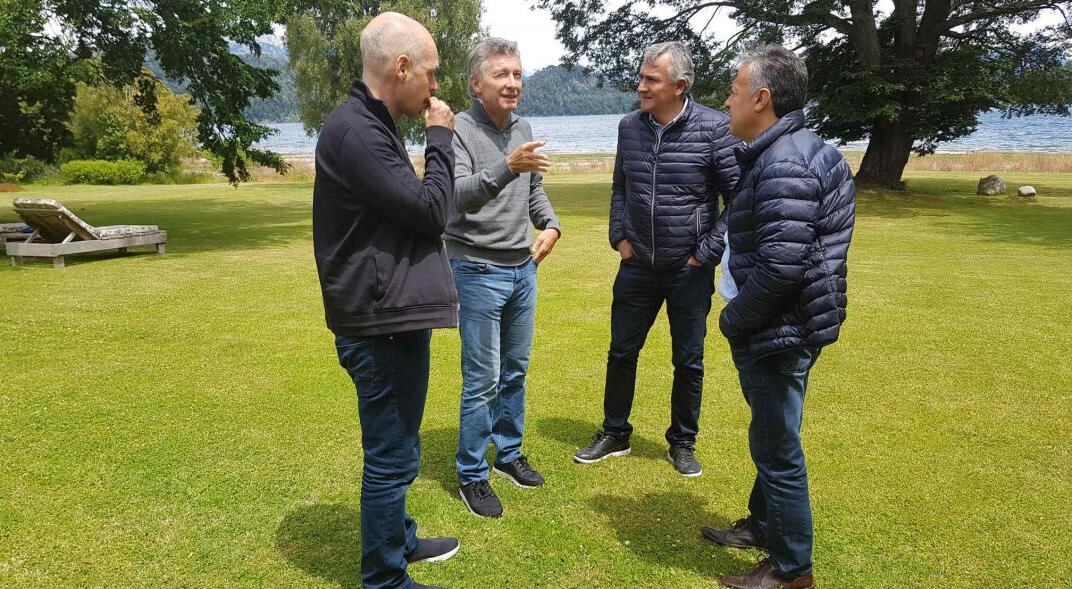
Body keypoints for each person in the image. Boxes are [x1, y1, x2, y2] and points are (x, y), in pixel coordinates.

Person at [312, 12, 461, 589]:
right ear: (401, 67)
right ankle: (385, 579)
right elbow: (430, 212)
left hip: (386, 312)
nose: (434, 87)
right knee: (392, 456)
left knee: (399, 446)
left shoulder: (368, 125)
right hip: (379, 321)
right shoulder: (356, 132)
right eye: (430, 73)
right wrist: (441, 137)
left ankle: (399, 539)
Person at [699, 45, 856, 589]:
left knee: (777, 447)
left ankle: (792, 571)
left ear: (762, 99)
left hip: (777, 330)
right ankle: (763, 525)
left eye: (735, 92)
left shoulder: (784, 162)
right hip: (792, 325)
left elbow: (782, 268)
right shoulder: (795, 150)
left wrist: (732, 318)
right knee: (775, 432)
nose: (726, 102)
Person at [574, 41, 740, 477]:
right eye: (642, 77)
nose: (640, 86)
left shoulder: (715, 129)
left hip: (688, 271)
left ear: (679, 86)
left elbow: (739, 199)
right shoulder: (630, 126)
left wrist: (705, 254)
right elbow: (620, 188)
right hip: (637, 265)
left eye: (651, 79)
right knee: (621, 351)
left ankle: (682, 443)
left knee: (688, 359)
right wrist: (619, 238)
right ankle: (615, 433)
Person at [445, 38, 562, 518]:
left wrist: (552, 225)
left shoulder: (524, 128)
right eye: (501, 74)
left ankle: (508, 455)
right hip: (475, 269)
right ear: (476, 83)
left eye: (516, 73)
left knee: (515, 371)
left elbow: (534, 192)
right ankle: (472, 473)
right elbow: (456, 196)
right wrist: (506, 166)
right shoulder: (458, 129)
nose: (512, 82)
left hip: (522, 270)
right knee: (482, 381)